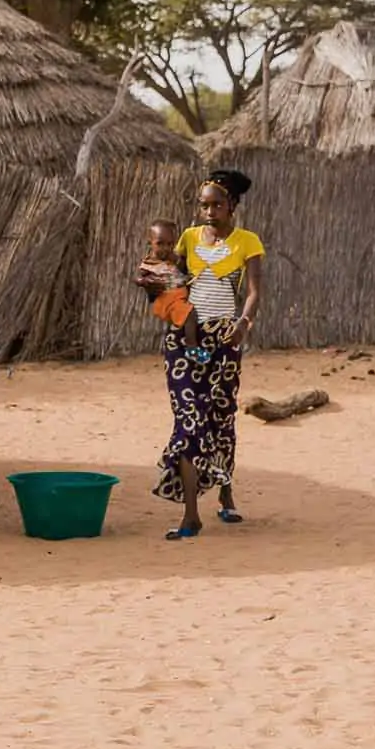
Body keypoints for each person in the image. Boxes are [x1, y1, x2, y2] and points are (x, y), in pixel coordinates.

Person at [155, 169, 266, 540]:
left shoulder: (247, 242)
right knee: (189, 421)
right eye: (204, 205)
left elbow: (252, 291)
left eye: (217, 204)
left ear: (232, 205)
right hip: (185, 342)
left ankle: (225, 491)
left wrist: (243, 323)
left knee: (221, 417)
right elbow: (175, 281)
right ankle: (190, 515)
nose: (209, 211)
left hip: (224, 338)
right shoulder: (187, 238)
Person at [135, 219, 209, 360]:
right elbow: (139, 278)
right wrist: (143, 281)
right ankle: (192, 348)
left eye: (170, 244)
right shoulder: (149, 263)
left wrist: (177, 259)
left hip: (178, 297)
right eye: (160, 243)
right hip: (167, 300)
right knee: (190, 314)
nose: (165, 248)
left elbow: (184, 268)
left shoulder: (172, 259)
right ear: (150, 242)